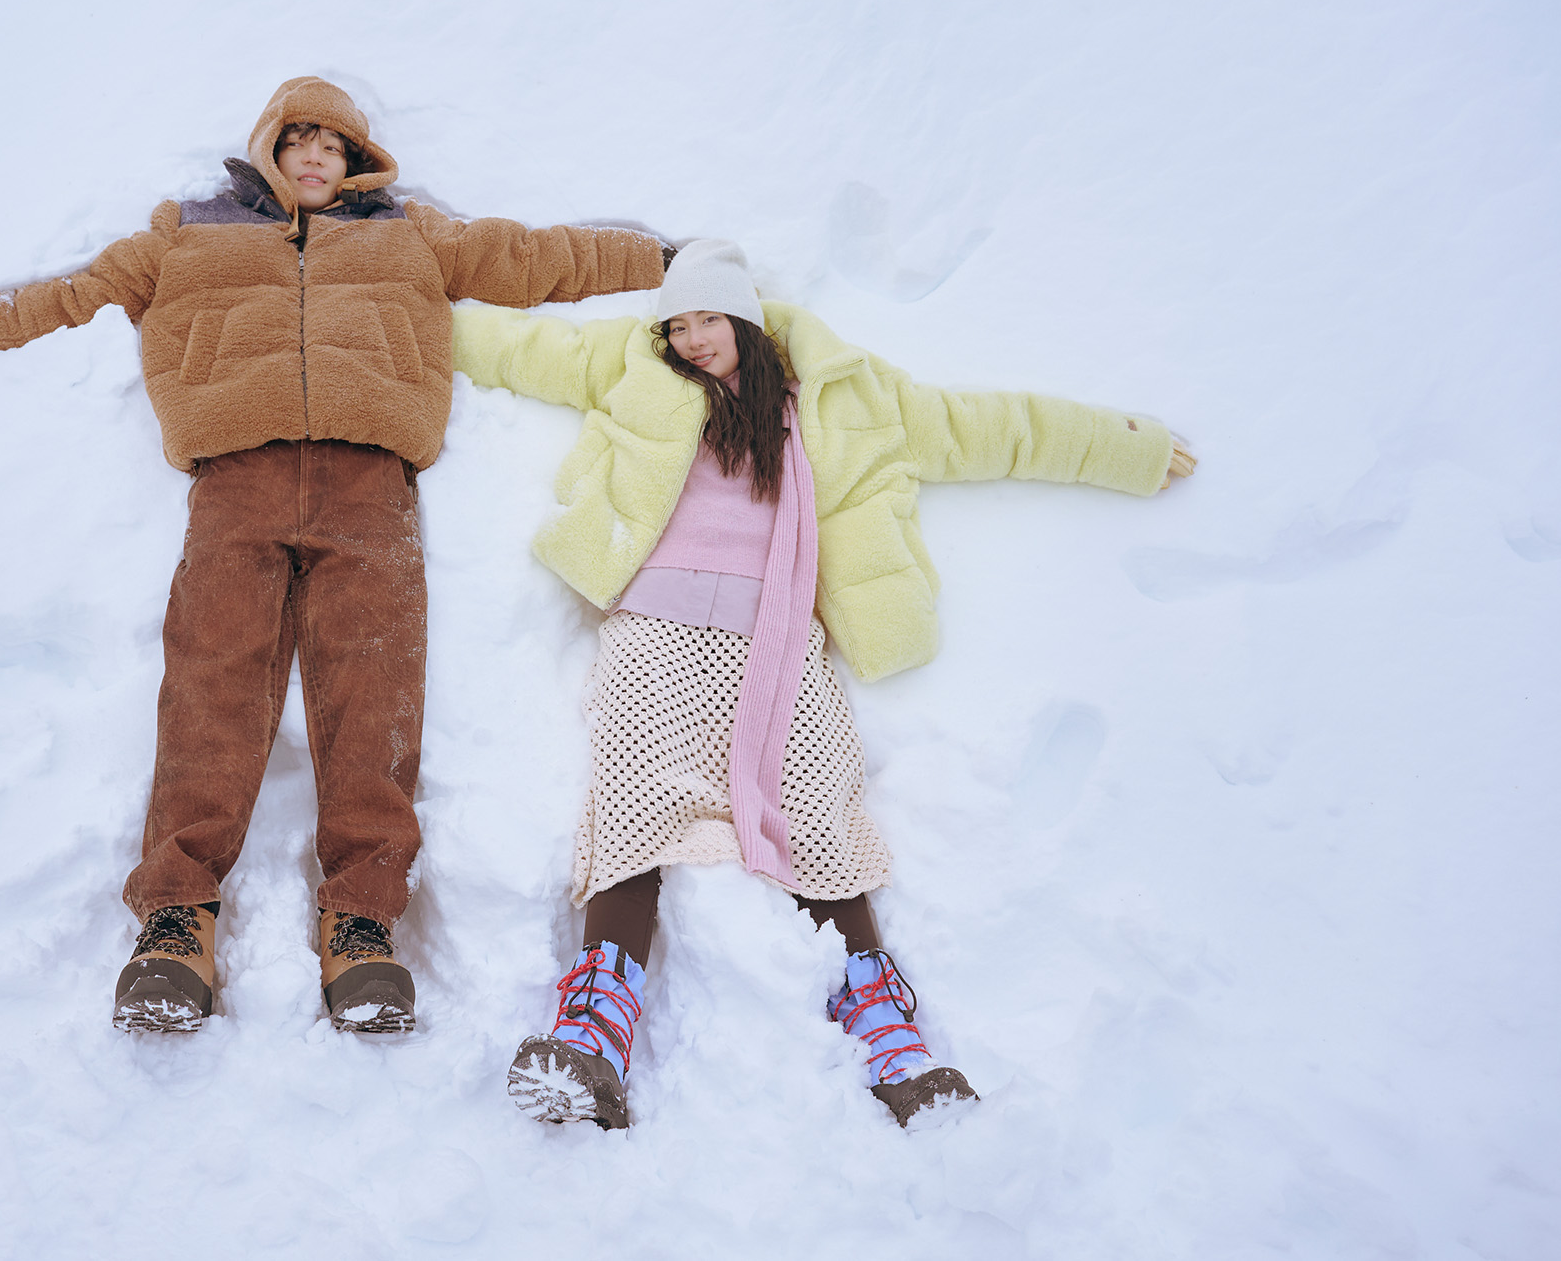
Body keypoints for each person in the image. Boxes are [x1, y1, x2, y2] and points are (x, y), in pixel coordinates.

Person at [0, 77, 668, 1035]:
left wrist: (663, 260)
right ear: (267, 147)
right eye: (298, 140)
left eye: (333, 145)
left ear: (358, 162)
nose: (315, 157)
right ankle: (174, 925)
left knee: (375, 692)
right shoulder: (188, 232)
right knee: (212, 681)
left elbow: (532, 259)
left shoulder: (412, 234)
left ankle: (361, 924)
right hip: (236, 478)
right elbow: (74, 293)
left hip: (369, 483)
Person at [451, 240, 1195, 1127]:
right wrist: (382, 310)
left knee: (818, 805)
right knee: (637, 803)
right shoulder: (629, 364)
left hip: (780, 639)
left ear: (749, 318)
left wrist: (1131, 450)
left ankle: (892, 1039)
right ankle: (591, 1037)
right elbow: (513, 350)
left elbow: (993, 427)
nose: (691, 339)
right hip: (654, 626)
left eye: (708, 319)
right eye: (677, 324)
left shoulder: (848, 397)